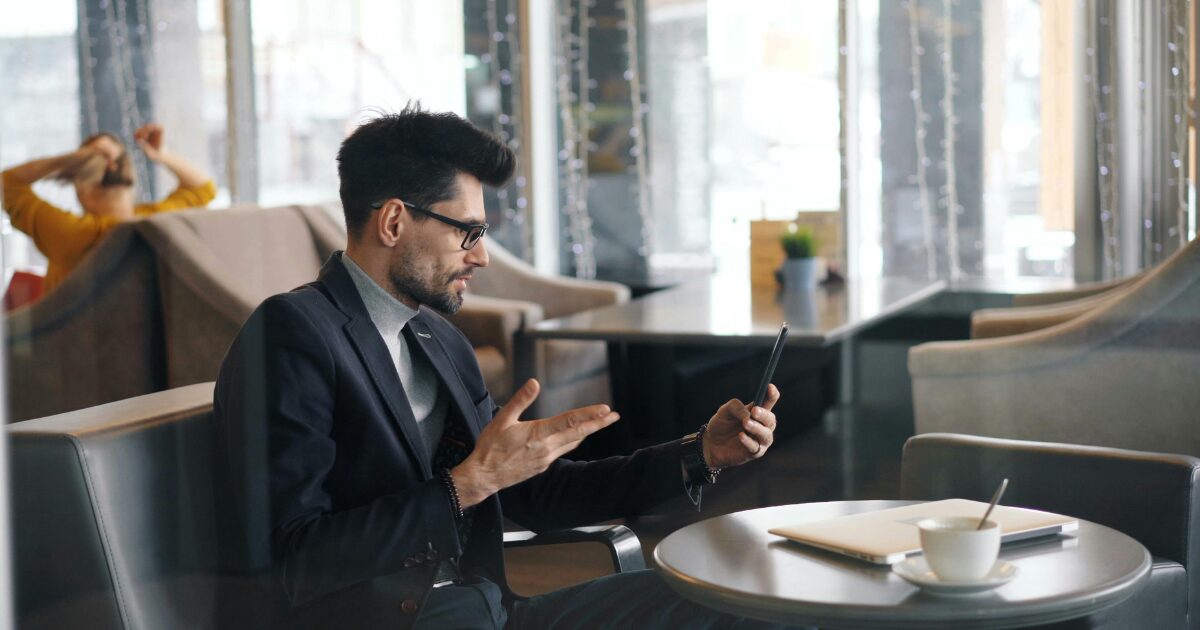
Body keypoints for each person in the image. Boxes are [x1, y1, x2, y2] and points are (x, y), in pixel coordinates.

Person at [213, 104, 787, 629]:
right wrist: (467, 484)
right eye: (468, 232)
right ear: (393, 222)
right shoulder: (293, 334)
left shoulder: (439, 340)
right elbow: (292, 557)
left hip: (489, 612)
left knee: (737, 602)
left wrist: (700, 453)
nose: (481, 255)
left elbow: (538, 494)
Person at [1, 124, 216, 293]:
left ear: (82, 187)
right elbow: (203, 188)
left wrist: (71, 161)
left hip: (76, 338)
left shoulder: (72, 234)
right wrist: (161, 154)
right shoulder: (156, 221)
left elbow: (7, 183)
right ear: (132, 178)